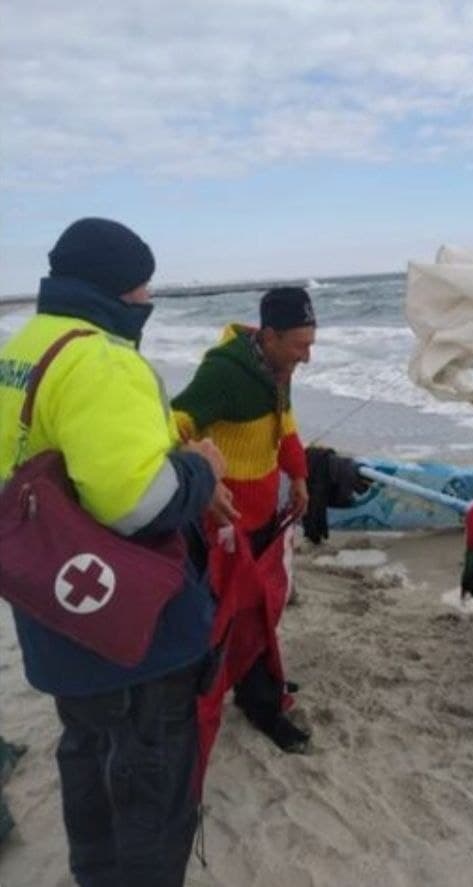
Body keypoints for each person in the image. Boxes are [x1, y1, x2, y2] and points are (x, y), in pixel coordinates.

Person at [0, 217, 234, 886]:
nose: (147, 301)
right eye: (143, 288)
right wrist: (200, 472)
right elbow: (138, 505)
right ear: (119, 289)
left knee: (87, 759)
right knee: (151, 782)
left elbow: (63, 462)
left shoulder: (25, 344)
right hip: (129, 627)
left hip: (52, 605)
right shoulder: (102, 358)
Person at [172, 286, 315, 751]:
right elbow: (173, 427)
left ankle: (257, 692)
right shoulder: (223, 374)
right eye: (299, 346)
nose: (306, 357)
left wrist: (298, 475)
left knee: (261, 610)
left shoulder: (278, 368)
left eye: (310, 344)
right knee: (233, 619)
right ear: (269, 336)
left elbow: (286, 424)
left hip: (262, 519)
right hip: (222, 526)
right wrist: (204, 482)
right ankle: (253, 704)